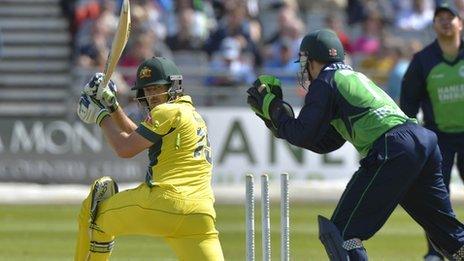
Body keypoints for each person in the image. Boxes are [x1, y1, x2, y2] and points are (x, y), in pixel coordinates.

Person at [246, 29, 464, 260]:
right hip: (423, 140)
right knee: (450, 237)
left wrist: (272, 108)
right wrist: (279, 123)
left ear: (311, 60)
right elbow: (327, 142)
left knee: (342, 234)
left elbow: (302, 133)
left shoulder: (325, 81)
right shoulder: (351, 76)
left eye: (304, 62)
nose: (304, 69)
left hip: (393, 146)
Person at [74, 57, 224, 260]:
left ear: (173, 86)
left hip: (164, 202)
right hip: (200, 215)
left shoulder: (166, 111)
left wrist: (100, 116)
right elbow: (141, 137)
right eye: (148, 89)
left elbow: (125, 148)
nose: (152, 95)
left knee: (94, 214)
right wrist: (111, 105)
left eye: (157, 87)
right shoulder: (191, 114)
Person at [400, 1, 464, 260]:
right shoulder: (423, 60)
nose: (446, 21)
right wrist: (414, 134)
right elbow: (408, 103)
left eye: (451, 17)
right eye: (440, 18)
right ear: (434, 24)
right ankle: (436, 251)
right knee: (436, 196)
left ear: (460, 22)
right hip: (439, 138)